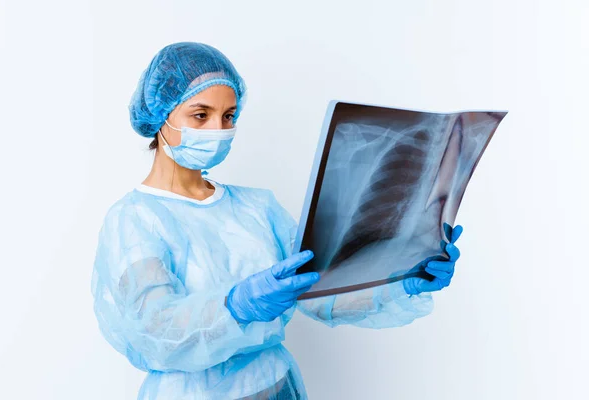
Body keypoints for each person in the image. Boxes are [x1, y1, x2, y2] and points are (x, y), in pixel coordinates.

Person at [90, 42, 464, 400]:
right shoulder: (135, 221)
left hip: (278, 386)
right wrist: (235, 306)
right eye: (200, 115)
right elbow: (154, 332)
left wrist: (401, 281)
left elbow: (319, 294)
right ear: (160, 115)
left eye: (229, 115)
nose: (218, 129)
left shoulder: (256, 208)